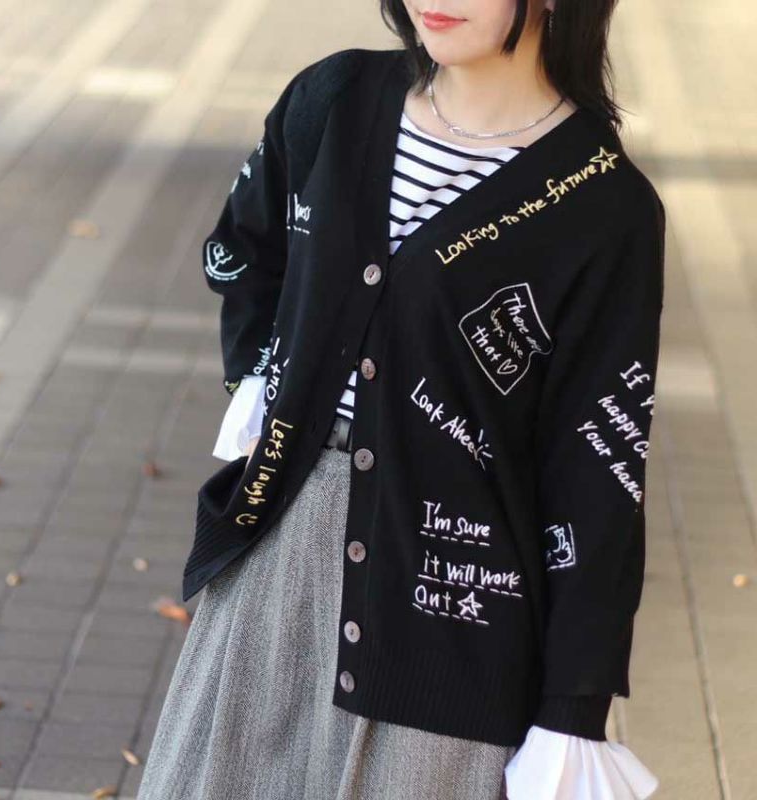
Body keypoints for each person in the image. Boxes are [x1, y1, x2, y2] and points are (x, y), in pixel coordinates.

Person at [136, 1, 665, 798]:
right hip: (277, 563)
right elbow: (247, 250)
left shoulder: (604, 206)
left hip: (451, 615)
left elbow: (598, 479)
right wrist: (261, 384)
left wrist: (573, 708)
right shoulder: (335, 100)